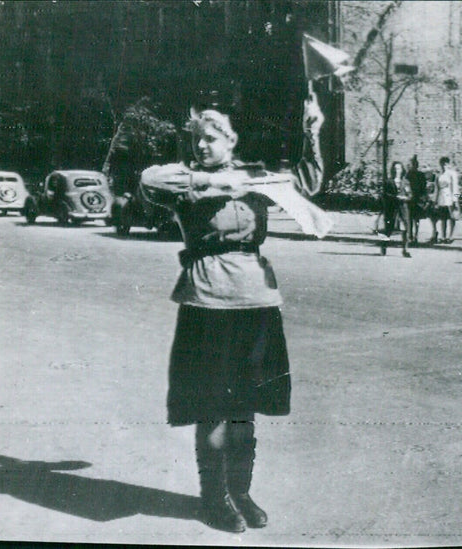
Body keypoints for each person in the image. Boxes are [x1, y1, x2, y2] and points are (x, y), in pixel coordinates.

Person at [139, 108, 329, 533]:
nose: (201, 146)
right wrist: (213, 181)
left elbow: (309, 184)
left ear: (231, 140)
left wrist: (312, 135)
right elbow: (148, 179)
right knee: (212, 406)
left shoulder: (256, 178)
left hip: (257, 300)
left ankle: (240, 490)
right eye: (197, 140)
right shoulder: (184, 181)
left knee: (245, 406)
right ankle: (214, 498)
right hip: (207, 302)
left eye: (210, 138)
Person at [380, 160, 412, 257]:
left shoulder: (405, 182)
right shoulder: (388, 181)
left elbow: (410, 194)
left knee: (406, 228)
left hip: (403, 207)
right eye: (395, 169)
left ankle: (405, 249)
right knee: (389, 228)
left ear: (402, 170)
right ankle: (384, 246)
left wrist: (405, 198)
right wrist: (395, 197)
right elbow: (385, 194)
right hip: (392, 207)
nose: (396, 170)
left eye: (398, 168)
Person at [434, 156, 460, 243]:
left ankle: (451, 236)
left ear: (448, 164)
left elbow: (455, 188)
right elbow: (437, 188)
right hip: (442, 198)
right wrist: (435, 200)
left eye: (446, 164)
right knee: (443, 218)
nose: (444, 166)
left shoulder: (452, 174)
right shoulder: (439, 175)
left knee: (452, 217)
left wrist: (455, 200)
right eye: (442, 164)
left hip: (450, 198)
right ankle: (443, 236)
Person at [407, 155, 429, 245]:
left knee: (415, 219)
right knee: (412, 219)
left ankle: (414, 236)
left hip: (416, 199)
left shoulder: (419, 174)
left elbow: (423, 188)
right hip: (412, 199)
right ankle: (412, 236)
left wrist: (422, 198)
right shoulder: (409, 174)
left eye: (413, 164)